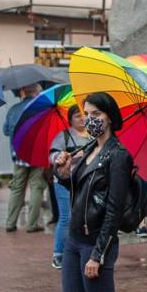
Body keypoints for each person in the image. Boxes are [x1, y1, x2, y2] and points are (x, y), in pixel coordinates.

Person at [31, 92, 131, 292]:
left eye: (96, 113)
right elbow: (79, 191)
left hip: (94, 244)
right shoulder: (88, 149)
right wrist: (63, 174)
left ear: (110, 116)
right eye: (86, 112)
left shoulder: (118, 155)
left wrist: (98, 254)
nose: (89, 118)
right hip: (74, 239)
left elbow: (113, 210)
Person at [48, 105, 92, 269]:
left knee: (83, 217)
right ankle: (58, 254)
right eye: (77, 116)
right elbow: (52, 155)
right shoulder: (64, 136)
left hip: (84, 181)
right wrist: (61, 156)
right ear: (70, 120)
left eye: (84, 115)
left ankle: (77, 251)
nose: (82, 119)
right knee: (66, 217)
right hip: (64, 182)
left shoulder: (92, 136)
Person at [3, 84, 48, 233]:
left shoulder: (13, 109)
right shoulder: (41, 109)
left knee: (17, 188)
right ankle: (32, 224)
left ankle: (10, 223)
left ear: (23, 91)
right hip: (36, 154)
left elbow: (5, 130)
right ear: (35, 92)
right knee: (37, 187)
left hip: (18, 155)